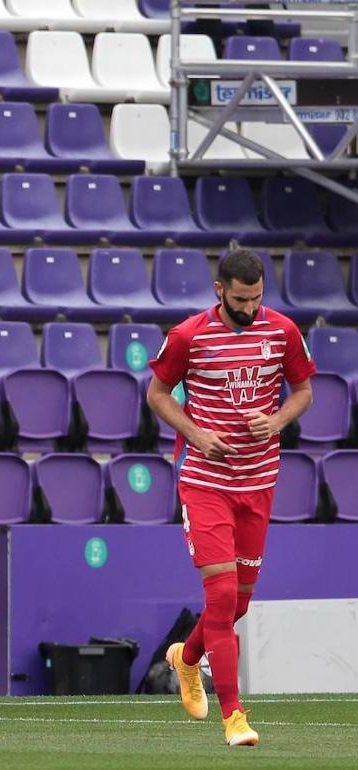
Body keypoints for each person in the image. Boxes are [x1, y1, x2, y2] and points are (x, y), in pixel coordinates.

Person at [148, 249, 314, 747]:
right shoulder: (187, 336)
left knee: (237, 604)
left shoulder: (282, 330)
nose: (250, 306)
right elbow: (157, 393)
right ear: (220, 290)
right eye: (242, 298)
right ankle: (235, 716)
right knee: (220, 596)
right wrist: (194, 433)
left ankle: (186, 657)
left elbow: (304, 391)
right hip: (206, 481)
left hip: (259, 481)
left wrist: (277, 421)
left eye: (258, 297)